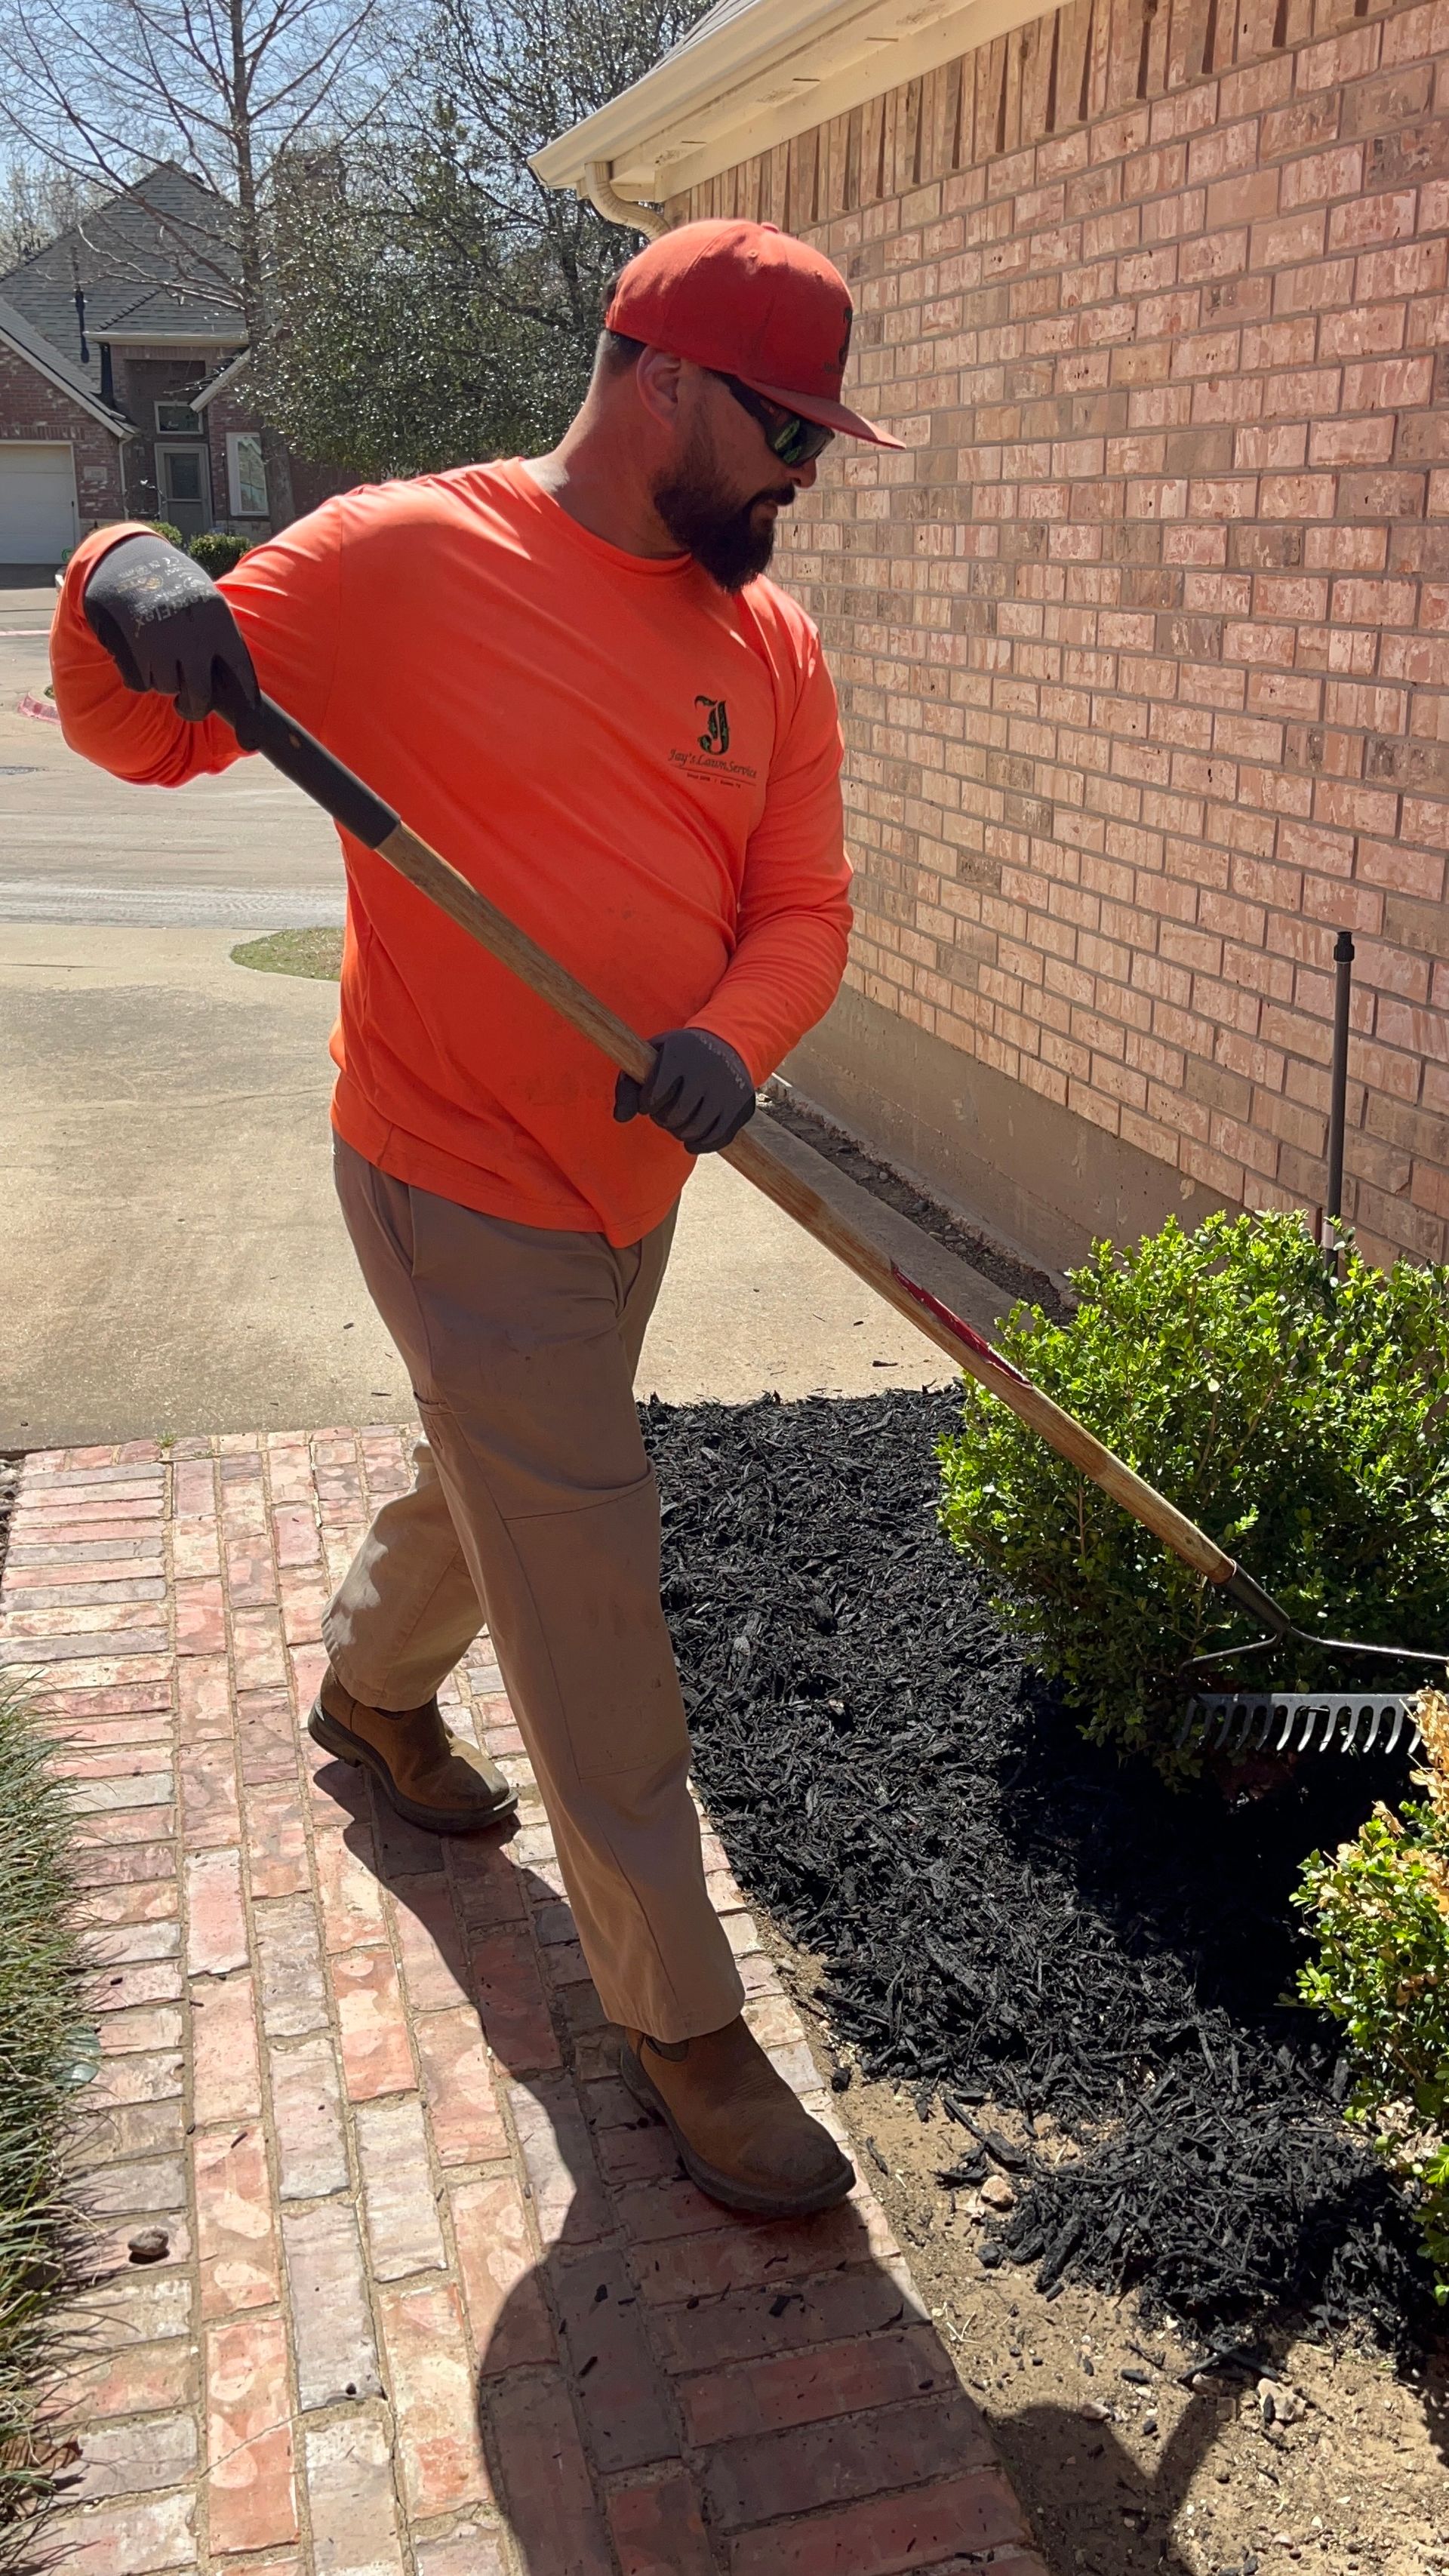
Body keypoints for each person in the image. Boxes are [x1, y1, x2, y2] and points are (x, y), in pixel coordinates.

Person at [51, 217, 903, 2219]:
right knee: (587, 1567)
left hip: (632, 1184)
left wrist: (729, 1035)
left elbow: (809, 907)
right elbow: (145, 720)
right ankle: (684, 2025)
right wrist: (119, 575)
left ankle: (367, 1679)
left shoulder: (768, 647)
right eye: (789, 430)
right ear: (666, 382)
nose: (805, 474)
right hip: (455, 1177)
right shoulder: (411, 561)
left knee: (494, 1482)